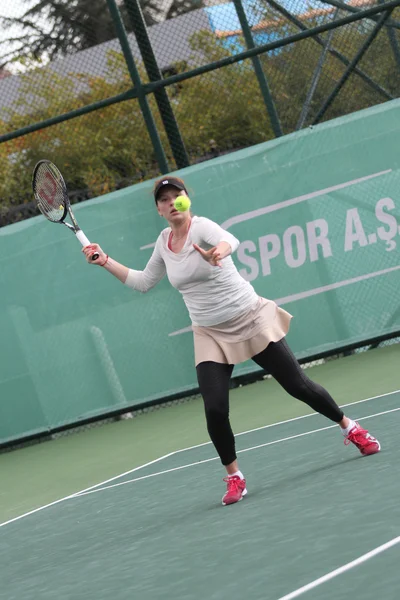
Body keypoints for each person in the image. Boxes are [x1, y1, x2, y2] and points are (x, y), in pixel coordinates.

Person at [83, 176, 381, 506]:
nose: (172, 202)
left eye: (176, 195)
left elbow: (229, 240)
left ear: (186, 199)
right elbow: (142, 282)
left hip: (249, 318)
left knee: (298, 386)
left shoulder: (202, 227)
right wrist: (105, 260)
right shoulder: (163, 243)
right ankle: (235, 476)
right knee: (214, 408)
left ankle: (350, 427)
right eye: (164, 199)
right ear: (159, 210)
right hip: (209, 332)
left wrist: (217, 253)